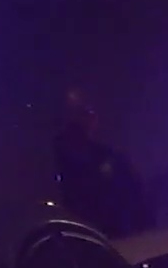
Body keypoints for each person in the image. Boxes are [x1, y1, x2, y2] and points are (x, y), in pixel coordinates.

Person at [54, 89, 154, 237]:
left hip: (106, 222)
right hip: (93, 222)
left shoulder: (106, 154)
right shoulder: (75, 153)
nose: (91, 120)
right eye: (85, 114)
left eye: (91, 114)